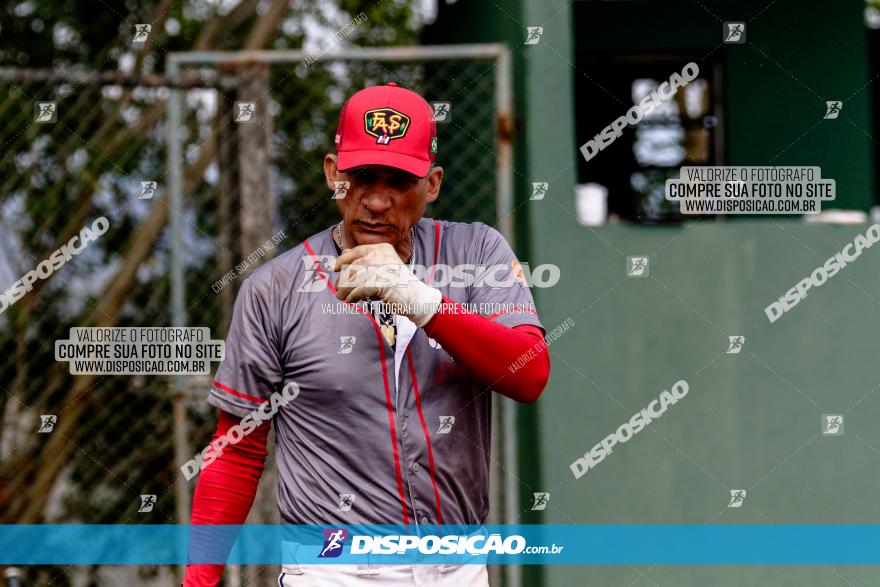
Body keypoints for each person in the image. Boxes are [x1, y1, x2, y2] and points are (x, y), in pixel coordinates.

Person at [183, 82, 551, 586]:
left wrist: (415, 296)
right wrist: (197, 582)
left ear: (434, 184)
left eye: (399, 180)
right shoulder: (275, 288)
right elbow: (238, 447)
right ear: (333, 174)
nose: (377, 200)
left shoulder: (476, 253)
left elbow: (529, 373)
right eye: (360, 177)